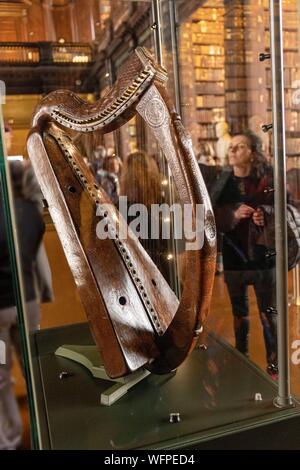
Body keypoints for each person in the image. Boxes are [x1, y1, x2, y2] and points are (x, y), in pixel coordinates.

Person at [214, 130, 278, 378]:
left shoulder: (267, 179)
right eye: (231, 146)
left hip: (263, 257)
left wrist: (265, 214)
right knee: (239, 313)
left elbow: (286, 207)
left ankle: (275, 367)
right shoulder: (222, 180)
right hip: (234, 259)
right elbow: (210, 216)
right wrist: (232, 214)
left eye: (240, 147)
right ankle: (243, 360)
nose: (233, 150)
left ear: (252, 153)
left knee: (268, 313)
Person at [0, 160, 45, 449]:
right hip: (27, 302)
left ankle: (10, 437)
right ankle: (44, 422)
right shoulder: (32, 213)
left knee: (0, 373)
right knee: (33, 366)